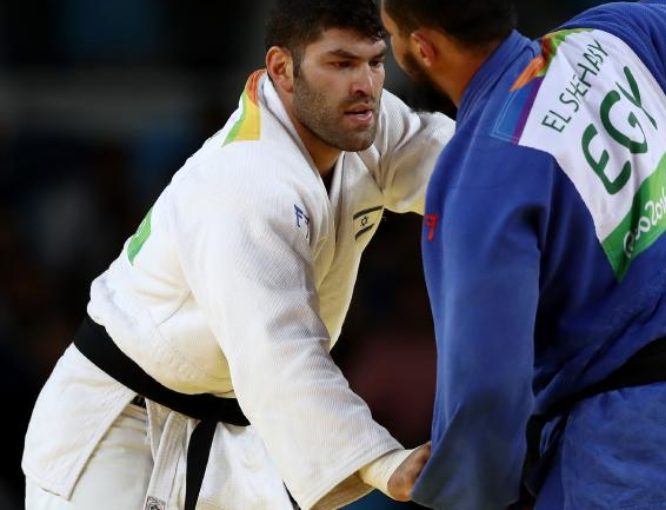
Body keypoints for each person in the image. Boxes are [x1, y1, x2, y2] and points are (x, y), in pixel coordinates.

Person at [22, 1, 453, 509]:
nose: (365, 84)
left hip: (233, 433)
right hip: (121, 427)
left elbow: (461, 169)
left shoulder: (364, 123)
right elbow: (280, 351)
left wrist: (545, 177)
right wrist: (382, 462)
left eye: (374, 62)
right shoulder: (247, 183)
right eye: (340, 64)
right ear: (282, 69)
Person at [380, 0, 666, 508]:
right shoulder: (608, 38)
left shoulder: (481, 172)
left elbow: (488, 393)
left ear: (423, 48)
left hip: (623, 469)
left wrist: (455, 495)